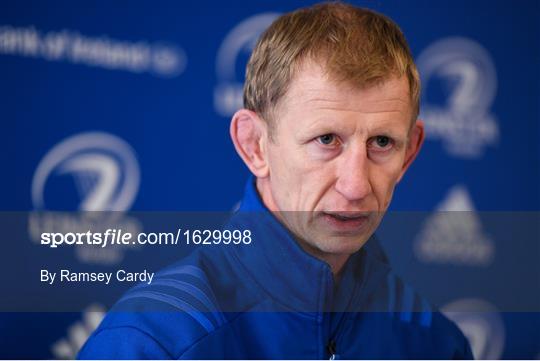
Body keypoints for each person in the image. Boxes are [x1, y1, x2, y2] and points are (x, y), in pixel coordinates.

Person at [78, 2, 473, 359]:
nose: (356, 187)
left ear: (410, 152)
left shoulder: (437, 344)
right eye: (326, 140)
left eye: (382, 143)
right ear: (255, 146)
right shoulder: (151, 342)